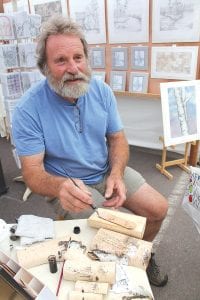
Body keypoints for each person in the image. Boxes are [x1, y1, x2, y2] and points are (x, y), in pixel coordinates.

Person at [12, 16, 168, 287]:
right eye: (61, 61)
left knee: (158, 209)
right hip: (68, 183)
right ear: (44, 67)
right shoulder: (28, 109)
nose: (73, 68)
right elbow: (32, 173)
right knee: (113, 231)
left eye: (78, 57)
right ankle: (111, 270)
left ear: (86, 58)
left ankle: (140, 257)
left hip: (105, 170)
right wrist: (60, 187)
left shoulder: (101, 91)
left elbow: (117, 138)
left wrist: (117, 174)